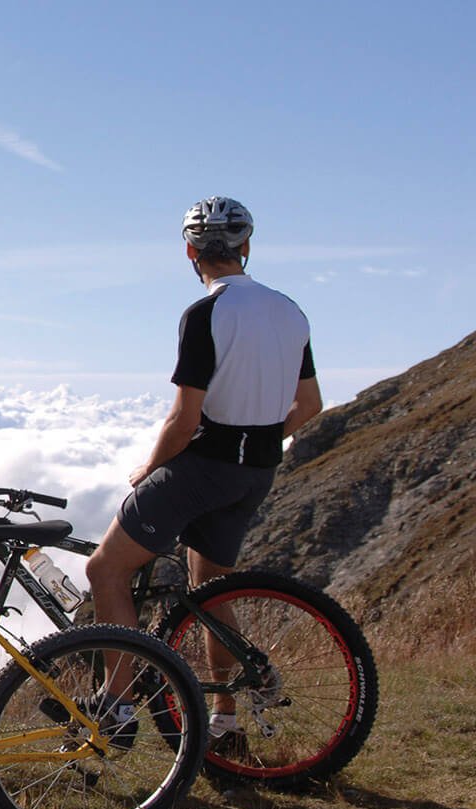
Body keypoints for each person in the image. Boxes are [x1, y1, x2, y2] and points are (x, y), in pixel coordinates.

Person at [83, 198, 324, 753]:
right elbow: (309, 404)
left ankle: (115, 710)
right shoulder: (291, 312)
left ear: (191, 252)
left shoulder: (204, 315)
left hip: (204, 466)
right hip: (257, 471)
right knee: (211, 590)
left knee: (105, 571)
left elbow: (183, 419)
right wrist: (260, 439)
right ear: (246, 248)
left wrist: (150, 469)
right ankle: (224, 721)